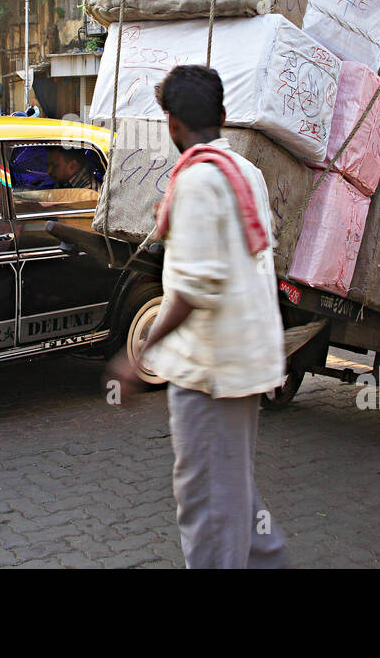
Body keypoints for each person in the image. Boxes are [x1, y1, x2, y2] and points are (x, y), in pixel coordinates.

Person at [108, 65, 288, 568]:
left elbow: (191, 290)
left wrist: (136, 356)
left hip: (211, 373)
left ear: (171, 125)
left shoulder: (196, 181)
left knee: (208, 505)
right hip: (244, 363)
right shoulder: (244, 171)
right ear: (224, 117)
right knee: (232, 490)